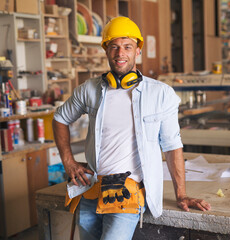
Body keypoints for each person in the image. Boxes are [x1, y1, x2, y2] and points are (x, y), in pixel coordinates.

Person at [52, 16, 211, 240]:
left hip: (127, 192)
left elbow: (172, 146)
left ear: (138, 51)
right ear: (106, 50)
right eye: (114, 47)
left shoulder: (160, 94)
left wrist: (181, 194)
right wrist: (68, 161)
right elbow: (60, 118)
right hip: (91, 190)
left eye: (127, 47)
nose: (120, 53)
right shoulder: (89, 90)